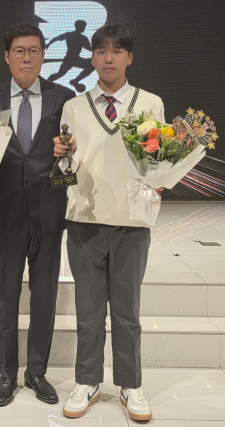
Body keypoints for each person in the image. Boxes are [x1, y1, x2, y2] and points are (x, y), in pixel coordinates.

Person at [53, 24, 165, 422]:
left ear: (129, 57)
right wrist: (61, 156)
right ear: (92, 57)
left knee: (127, 313)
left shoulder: (150, 103)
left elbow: (159, 159)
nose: (108, 58)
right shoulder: (74, 107)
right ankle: (87, 381)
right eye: (101, 51)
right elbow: (65, 167)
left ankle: (130, 385)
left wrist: (161, 179)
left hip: (132, 220)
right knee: (88, 311)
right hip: (84, 219)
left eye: (116, 51)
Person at [0, 23, 75, 407]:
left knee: (44, 294)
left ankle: (37, 372)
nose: (26, 58)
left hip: (49, 209)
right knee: (6, 294)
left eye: (33, 51)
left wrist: (71, 151)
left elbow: (76, 149)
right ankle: (6, 374)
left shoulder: (64, 97)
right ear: (7, 56)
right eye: (19, 51)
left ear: (43, 55)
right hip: (7, 210)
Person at [45, 20, 94, 93]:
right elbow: (90, 48)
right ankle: (75, 81)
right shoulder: (81, 38)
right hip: (72, 59)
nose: (84, 28)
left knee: (60, 74)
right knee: (60, 74)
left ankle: (74, 81)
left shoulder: (70, 35)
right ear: (79, 27)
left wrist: (49, 44)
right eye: (83, 27)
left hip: (73, 59)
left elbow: (56, 38)